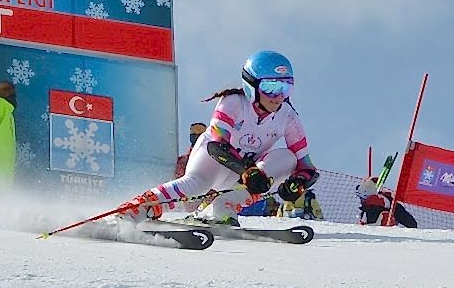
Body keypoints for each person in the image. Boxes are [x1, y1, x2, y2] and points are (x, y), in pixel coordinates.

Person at [120, 50, 318, 227]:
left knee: (288, 158)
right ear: (252, 85)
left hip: (240, 174)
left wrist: (298, 184)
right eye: (270, 87)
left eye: (285, 88)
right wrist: (248, 173)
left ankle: (224, 207)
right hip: (212, 161)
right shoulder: (233, 103)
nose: (278, 96)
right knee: (196, 185)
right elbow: (217, 146)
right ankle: (136, 209)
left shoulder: (288, 117)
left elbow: (307, 166)